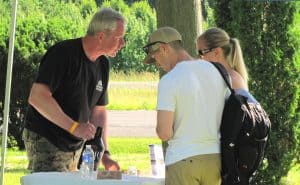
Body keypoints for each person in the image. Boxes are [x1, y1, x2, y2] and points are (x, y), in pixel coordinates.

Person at [22, 7, 125, 172]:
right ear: (101, 35)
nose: (123, 44)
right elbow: (37, 97)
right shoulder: (63, 54)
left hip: (76, 145)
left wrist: (105, 152)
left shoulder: (103, 65)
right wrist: (74, 127)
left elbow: (98, 112)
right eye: (119, 38)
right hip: (47, 139)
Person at [143, 27, 229, 185]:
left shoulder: (170, 80)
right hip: (215, 160)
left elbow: (164, 133)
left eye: (155, 57)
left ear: (164, 48)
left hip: (182, 159)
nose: (157, 63)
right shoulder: (216, 71)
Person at [197, 28, 255, 185]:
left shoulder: (228, 80)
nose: (199, 58)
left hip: (229, 160)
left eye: (201, 52)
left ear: (216, 52)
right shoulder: (233, 76)